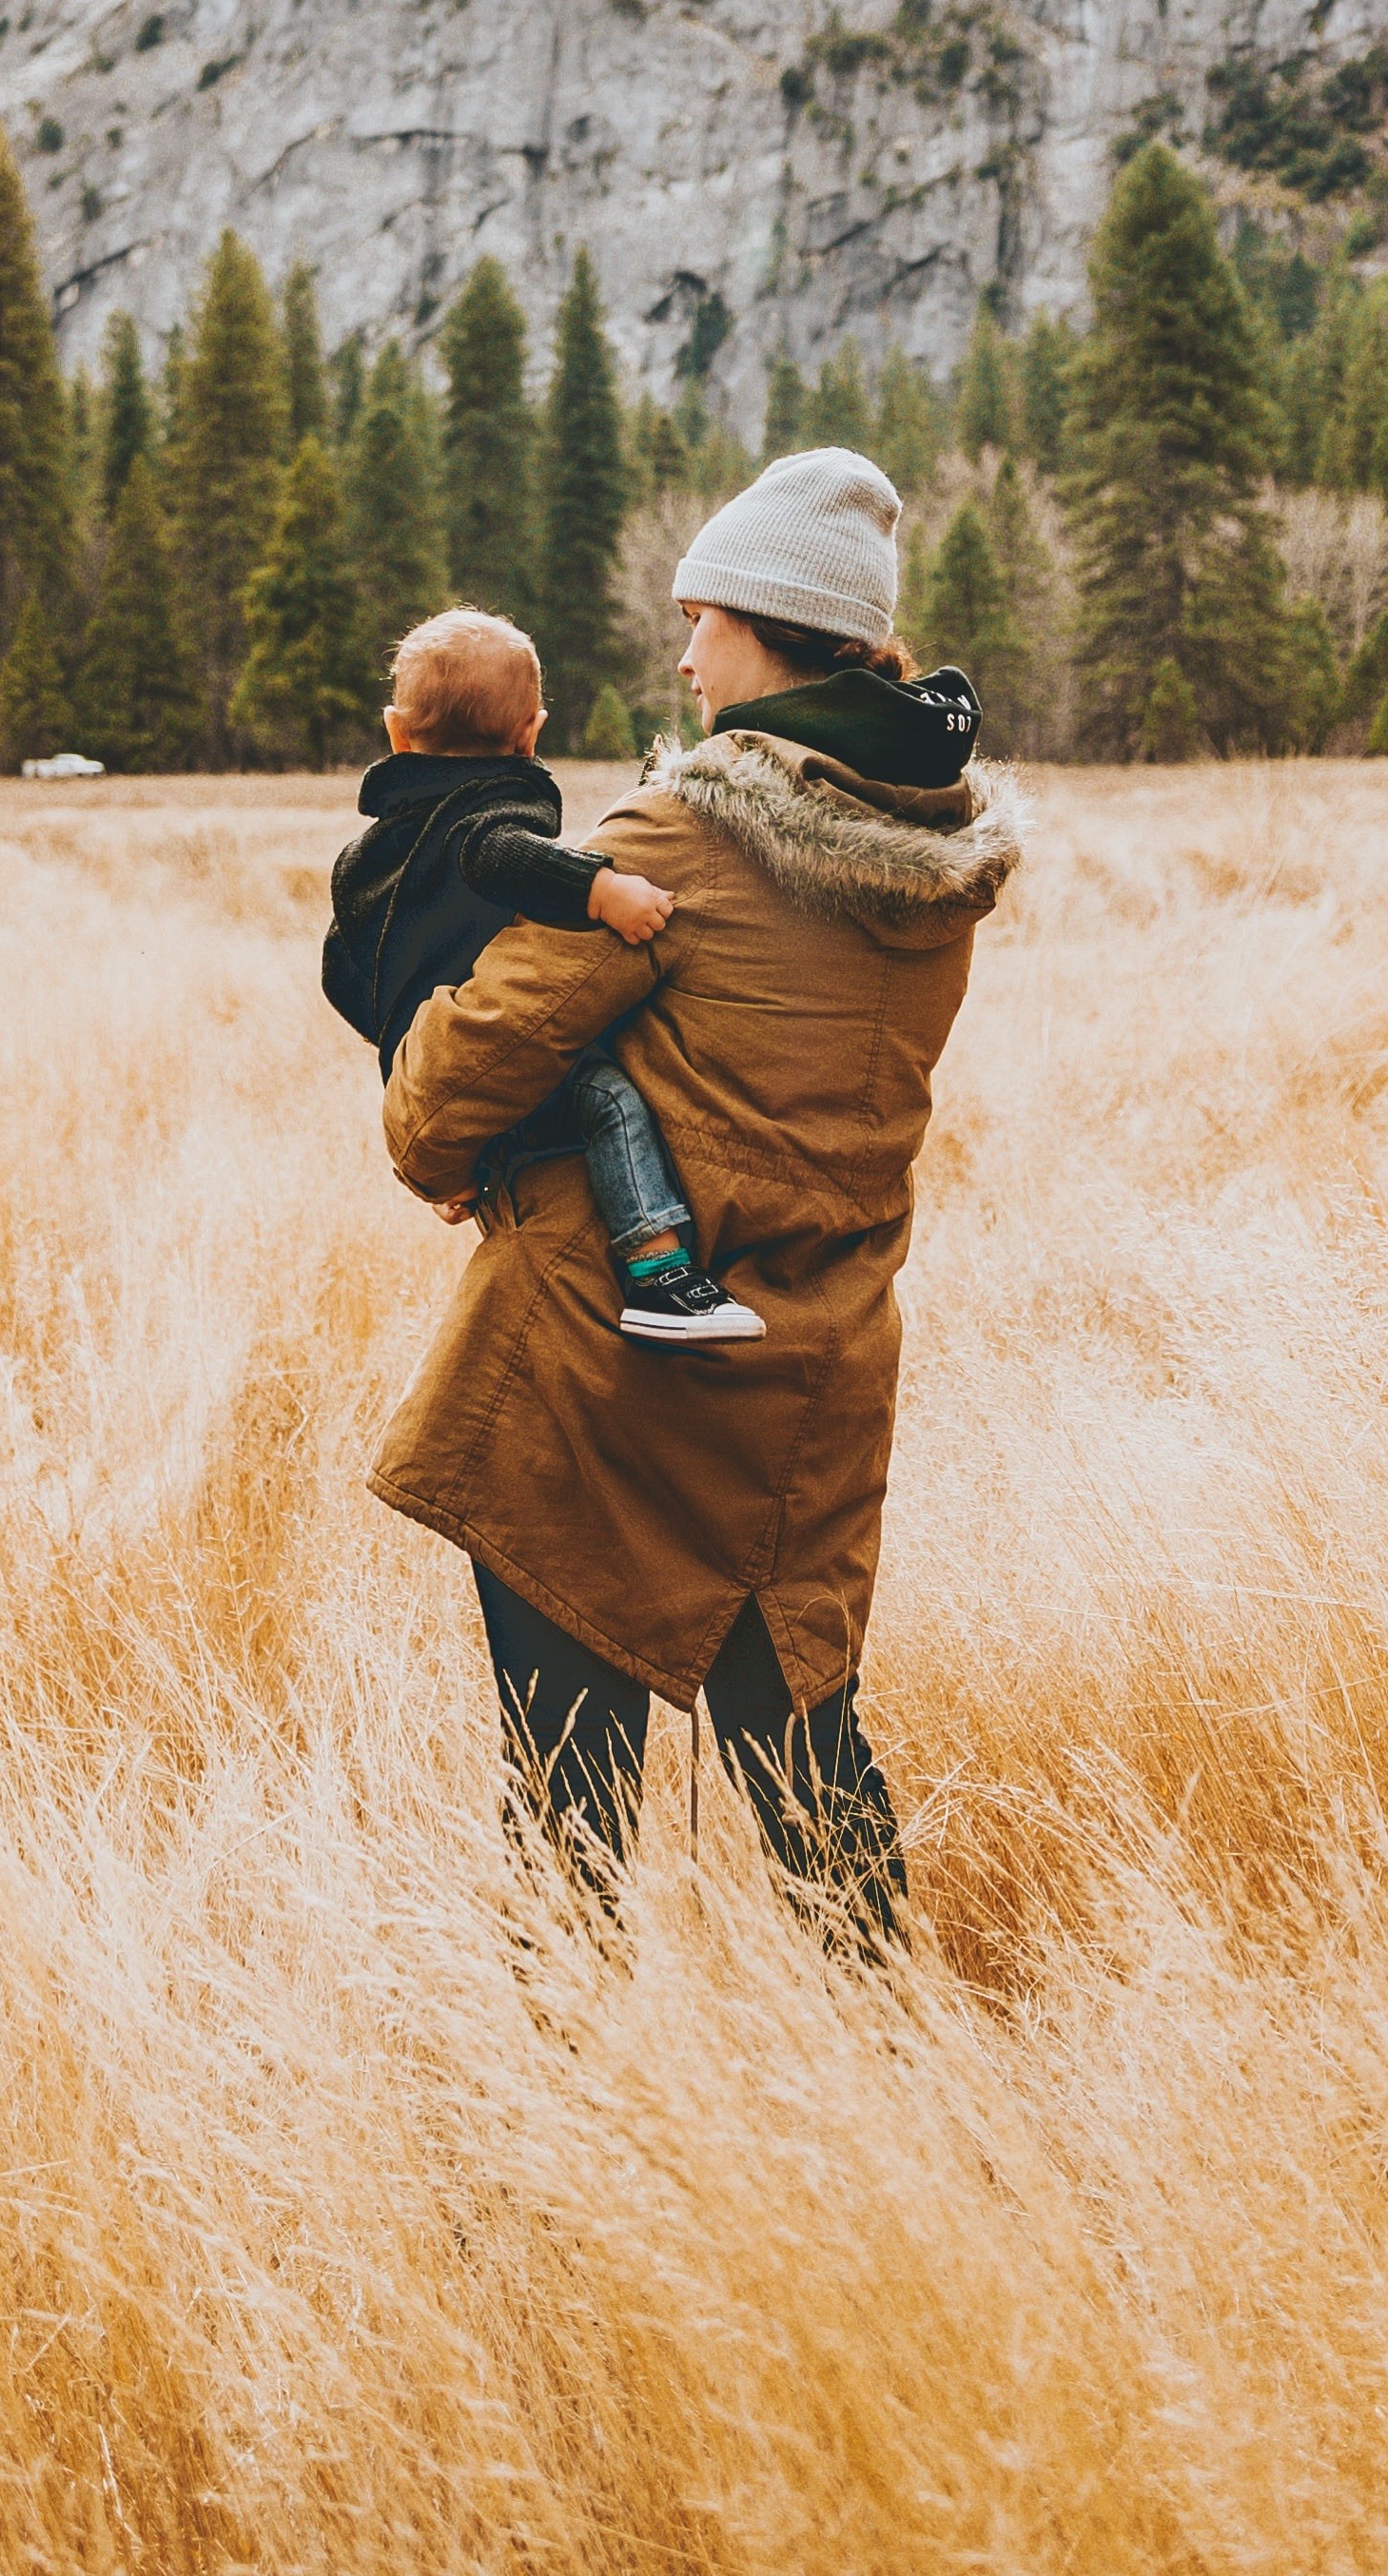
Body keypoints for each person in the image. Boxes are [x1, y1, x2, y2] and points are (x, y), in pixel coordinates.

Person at [367, 449, 1011, 1946]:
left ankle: (567, 2139)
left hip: (606, 1387)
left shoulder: (678, 840)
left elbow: (449, 1088)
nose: (682, 654)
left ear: (772, 631)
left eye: (703, 619)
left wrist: (445, 1128)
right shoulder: (932, 856)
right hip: (815, 1375)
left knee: (568, 1808)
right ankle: (886, 2089)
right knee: (808, 1771)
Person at [321, 608, 763, 1346]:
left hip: (424, 1068)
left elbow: (341, 971)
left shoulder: (371, 857)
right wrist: (603, 891)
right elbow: (497, 855)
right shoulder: (483, 816)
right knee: (609, 1099)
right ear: (532, 732)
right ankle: (659, 1273)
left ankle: (479, 1163)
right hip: (496, 1066)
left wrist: (403, 1037)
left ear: (397, 732)